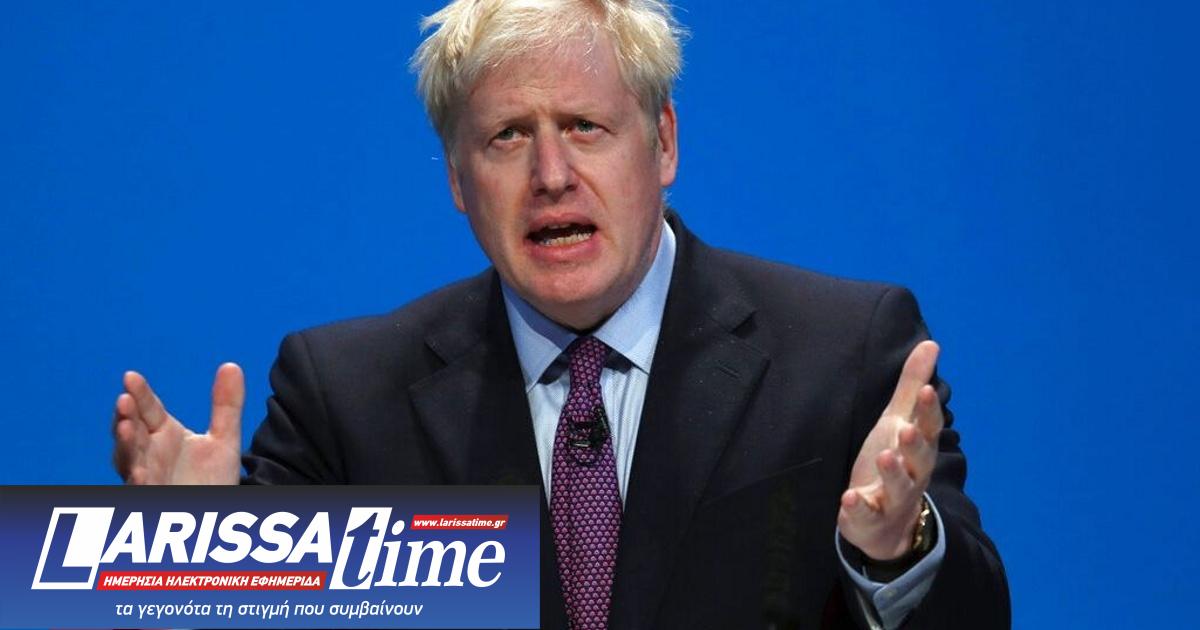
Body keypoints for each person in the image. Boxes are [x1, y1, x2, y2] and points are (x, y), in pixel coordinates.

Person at [111, 1, 1009, 628]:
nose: (550, 176)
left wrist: (895, 550)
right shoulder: (345, 399)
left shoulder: (842, 353)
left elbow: (979, 617)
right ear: (457, 180)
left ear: (663, 143)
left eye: (585, 126)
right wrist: (188, 569)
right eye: (507, 136)